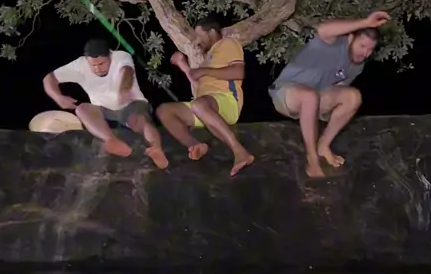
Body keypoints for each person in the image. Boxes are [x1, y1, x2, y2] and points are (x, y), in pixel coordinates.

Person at [269, 11, 390, 178]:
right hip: (286, 93)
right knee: (309, 96)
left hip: (316, 99)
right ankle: (312, 159)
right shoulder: (331, 43)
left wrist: (336, 110)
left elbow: (338, 89)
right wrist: (366, 22)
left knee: (353, 96)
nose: (365, 53)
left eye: (370, 49)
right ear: (350, 38)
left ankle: (323, 145)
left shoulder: (357, 65)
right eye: (362, 46)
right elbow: (323, 29)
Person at [43, 38, 168, 168]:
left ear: (110, 56)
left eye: (102, 63)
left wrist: (124, 89)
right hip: (103, 109)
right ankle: (111, 140)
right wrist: (58, 97)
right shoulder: (80, 65)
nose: (98, 68)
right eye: (93, 65)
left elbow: (127, 71)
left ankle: (156, 149)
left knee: (140, 121)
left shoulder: (120, 56)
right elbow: (49, 78)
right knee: (82, 109)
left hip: (130, 104)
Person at [156, 17, 254, 177]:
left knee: (199, 105)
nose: (197, 41)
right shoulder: (208, 58)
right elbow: (198, 85)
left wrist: (205, 71)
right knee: (164, 110)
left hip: (227, 100)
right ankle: (195, 145)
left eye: (199, 35)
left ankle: (240, 151)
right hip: (205, 106)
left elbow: (238, 72)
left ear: (212, 32)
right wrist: (182, 64)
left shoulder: (228, 44)